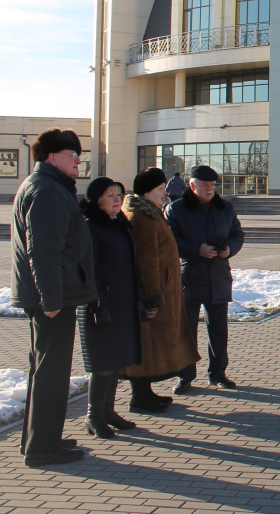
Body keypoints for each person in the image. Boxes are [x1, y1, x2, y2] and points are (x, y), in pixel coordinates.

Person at [11, 128, 97, 467]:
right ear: (51, 157)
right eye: (71, 154)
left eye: (78, 154)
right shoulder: (47, 190)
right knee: (51, 372)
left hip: (52, 294)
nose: (77, 159)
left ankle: (39, 439)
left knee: (44, 370)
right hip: (52, 298)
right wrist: (51, 299)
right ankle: (42, 449)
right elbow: (44, 251)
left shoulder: (46, 186)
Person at [121, 167, 200, 411]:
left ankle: (146, 393)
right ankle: (139, 397)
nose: (165, 193)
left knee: (151, 343)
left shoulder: (150, 213)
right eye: (160, 188)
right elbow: (147, 261)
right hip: (154, 293)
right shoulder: (141, 217)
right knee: (147, 343)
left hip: (162, 289)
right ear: (146, 192)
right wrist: (153, 297)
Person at [166, 165, 244, 394]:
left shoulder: (225, 208)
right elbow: (170, 240)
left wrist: (229, 249)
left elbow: (237, 234)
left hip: (218, 276)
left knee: (218, 330)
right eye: (204, 185)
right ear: (192, 186)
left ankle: (218, 374)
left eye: (212, 185)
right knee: (186, 332)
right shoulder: (177, 209)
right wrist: (196, 250)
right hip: (190, 276)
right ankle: (185, 375)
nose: (210, 189)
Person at [77, 178, 143, 438]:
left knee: (115, 361)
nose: (117, 199)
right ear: (97, 200)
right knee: (102, 362)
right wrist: (97, 305)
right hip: (100, 304)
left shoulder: (117, 224)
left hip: (121, 302)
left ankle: (108, 411)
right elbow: (88, 270)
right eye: (110, 195)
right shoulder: (90, 226)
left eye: (119, 194)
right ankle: (93, 416)